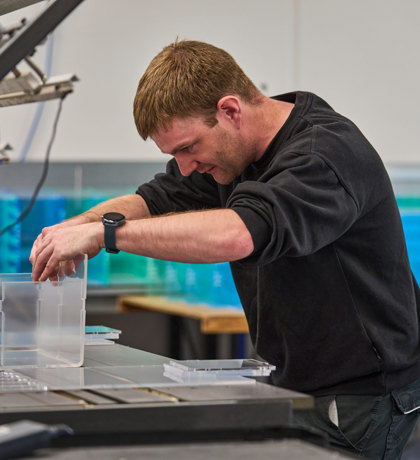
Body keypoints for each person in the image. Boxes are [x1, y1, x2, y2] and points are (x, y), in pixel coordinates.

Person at [30, 40, 420, 459]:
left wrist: (104, 236)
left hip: (361, 393)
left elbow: (239, 234)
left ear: (230, 110)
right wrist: (71, 229)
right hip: (293, 379)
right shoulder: (233, 156)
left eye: (187, 147)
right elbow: (153, 201)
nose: (184, 165)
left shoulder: (323, 153)